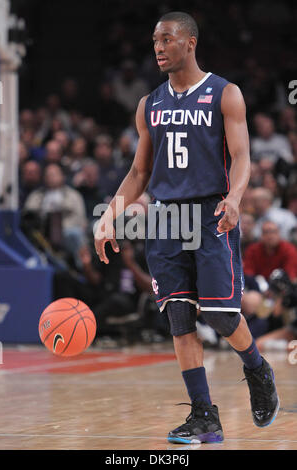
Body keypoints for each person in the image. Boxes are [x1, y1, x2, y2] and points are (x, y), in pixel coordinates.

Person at [94, 11, 279, 444]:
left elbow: (243, 157)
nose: (158, 48)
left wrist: (234, 199)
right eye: (155, 41)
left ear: (190, 42)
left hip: (210, 213)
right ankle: (204, 415)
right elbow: (139, 172)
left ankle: (256, 366)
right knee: (179, 315)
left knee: (217, 312)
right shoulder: (149, 104)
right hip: (165, 217)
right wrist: (108, 216)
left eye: (167, 39)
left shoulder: (225, 93)